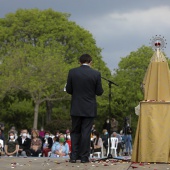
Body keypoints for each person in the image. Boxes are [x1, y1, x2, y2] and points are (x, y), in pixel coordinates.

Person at [66, 54, 103, 163]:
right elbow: (99, 92)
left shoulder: (72, 72)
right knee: (86, 132)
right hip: (89, 108)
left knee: (75, 132)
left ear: (79, 62)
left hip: (76, 106)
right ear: (90, 62)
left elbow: (68, 89)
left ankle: (73, 156)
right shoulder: (96, 74)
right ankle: (84, 157)